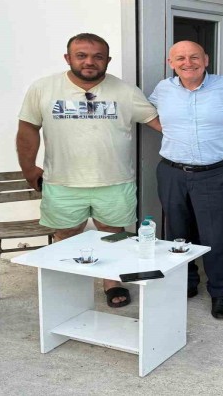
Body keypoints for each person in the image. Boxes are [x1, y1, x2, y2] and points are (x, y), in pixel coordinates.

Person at [17, 33, 161, 308]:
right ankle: (69, 282)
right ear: (67, 58)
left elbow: (159, 122)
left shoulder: (126, 91)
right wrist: (28, 167)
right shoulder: (43, 88)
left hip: (115, 181)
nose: (89, 62)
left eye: (97, 56)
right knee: (65, 235)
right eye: (81, 55)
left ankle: (111, 281)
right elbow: (28, 128)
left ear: (108, 60)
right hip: (62, 182)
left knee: (113, 234)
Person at [148, 41, 223, 319]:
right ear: (171, 63)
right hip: (172, 172)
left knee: (216, 236)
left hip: (214, 173)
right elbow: (148, 114)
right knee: (177, 232)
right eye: (180, 58)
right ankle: (186, 282)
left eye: (194, 57)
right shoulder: (162, 89)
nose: (188, 63)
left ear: (206, 59)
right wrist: (168, 130)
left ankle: (219, 291)